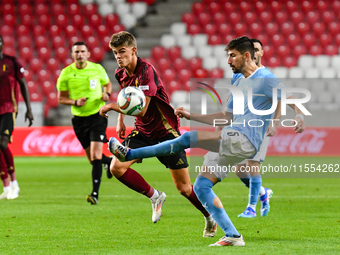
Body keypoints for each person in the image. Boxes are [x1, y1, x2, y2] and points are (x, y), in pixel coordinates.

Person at [108, 36, 306, 246]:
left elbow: (291, 98)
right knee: (201, 187)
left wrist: (300, 115)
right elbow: (225, 117)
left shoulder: (265, 78)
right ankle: (233, 235)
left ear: (246, 56)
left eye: (232, 56)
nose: (228, 61)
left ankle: (131, 154)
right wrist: (192, 115)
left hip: (245, 139)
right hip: (231, 136)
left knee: (187, 138)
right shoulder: (237, 80)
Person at [99, 31, 216, 237]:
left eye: (122, 52)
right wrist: (120, 120)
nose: (118, 56)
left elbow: (141, 108)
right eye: (115, 53)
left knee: (184, 189)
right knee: (116, 167)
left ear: (134, 51)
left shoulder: (147, 72)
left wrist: (112, 107)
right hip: (143, 131)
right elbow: (126, 96)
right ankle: (155, 196)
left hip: (166, 133)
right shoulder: (121, 73)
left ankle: (209, 216)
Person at [57, 42, 113, 205]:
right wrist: (74, 101)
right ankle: (109, 162)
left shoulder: (97, 69)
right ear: (72, 55)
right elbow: (61, 98)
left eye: (82, 51)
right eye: (76, 52)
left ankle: (95, 194)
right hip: (79, 120)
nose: (80, 54)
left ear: (88, 54)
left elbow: (107, 84)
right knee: (92, 159)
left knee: (95, 156)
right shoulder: (66, 73)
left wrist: (107, 94)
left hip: (97, 116)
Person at [233, 38, 279, 218]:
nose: (254, 53)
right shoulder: (238, 75)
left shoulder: (266, 76)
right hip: (240, 126)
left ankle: (251, 207)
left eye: (257, 50)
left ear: (261, 53)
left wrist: (274, 122)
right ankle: (263, 193)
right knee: (239, 170)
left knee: (253, 164)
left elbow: (281, 98)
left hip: (260, 126)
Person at [0, 34, 34, 200]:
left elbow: (23, 85)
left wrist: (28, 109)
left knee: (2, 142)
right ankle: (6, 186)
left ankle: (14, 184)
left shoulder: (12, 62)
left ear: (1, 44)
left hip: (8, 108)